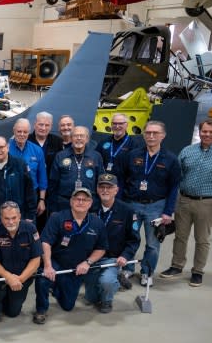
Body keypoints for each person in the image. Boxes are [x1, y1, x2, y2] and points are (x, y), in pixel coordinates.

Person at [161, 118, 212, 287]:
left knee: (202, 239)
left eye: (211, 132)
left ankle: (197, 271)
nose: (207, 134)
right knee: (180, 236)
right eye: (204, 131)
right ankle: (176, 266)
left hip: (207, 203)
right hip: (184, 201)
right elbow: (175, 177)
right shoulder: (187, 151)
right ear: (200, 131)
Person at [117, 120, 181, 286]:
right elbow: (122, 180)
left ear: (163, 136)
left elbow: (174, 187)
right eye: (148, 133)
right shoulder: (132, 155)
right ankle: (128, 269)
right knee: (130, 238)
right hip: (132, 204)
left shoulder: (171, 160)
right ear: (144, 135)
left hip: (156, 206)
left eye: (155, 133)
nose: (151, 136)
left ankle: (147, 272)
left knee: (153, 243)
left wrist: (168, 211)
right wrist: (122, 204)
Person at [35, 188, 108, 321]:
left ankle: (57, 288)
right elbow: (45, 242)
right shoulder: (57, 218)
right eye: (77, 199)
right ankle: (41, 309)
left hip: (76, 268)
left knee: (68, 306)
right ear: (71, 201)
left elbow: (101, 248)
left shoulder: (97, 223)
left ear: (90, 203)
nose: (80, 202)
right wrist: (47, 265)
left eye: (84, 199)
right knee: (42, 278)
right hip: (56, 262)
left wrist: (88, 262)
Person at [0, 201, 41, 328]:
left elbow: (36, 260)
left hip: (22, 276)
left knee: (12, 312)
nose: (10, 222)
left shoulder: (31, 229)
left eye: (14, 218)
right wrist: (9, 277)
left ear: (19, 216)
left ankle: (4, 298)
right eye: (6, 218)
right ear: (1, 218)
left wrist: (19, 279)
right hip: (1, 274)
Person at [87, 174, 141, 312]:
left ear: (116, 190)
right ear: (97, 189)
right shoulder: (89, 208)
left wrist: (125, 256)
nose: (105, 190)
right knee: (91, 298)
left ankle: (107, 300)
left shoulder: (127, 211)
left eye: (109, 187)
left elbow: (134, 240)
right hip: (91, 258)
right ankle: (115, 279)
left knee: (106, 282)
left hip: (113, 258)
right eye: (102, 187)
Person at [0, 137, 37, 228]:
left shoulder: (20, 165)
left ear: (8, 147)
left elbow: (29, 191)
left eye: (1, 147)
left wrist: (30, 215)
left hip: (16, 218)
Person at [47, 126, 104, 213]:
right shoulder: (60, 156)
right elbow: (53, 183)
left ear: (87, 139)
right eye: (75, 136)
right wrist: (53, 208)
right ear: (71, 138)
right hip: (64, 203)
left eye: (82, 136)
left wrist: (97, 204)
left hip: (88, 203)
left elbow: (100, 182)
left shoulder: (96, 156)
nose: (79, 138)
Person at [8, 118, 47, 218]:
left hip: (31, 196)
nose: (22, 134)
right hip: (10, 194)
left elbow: (42, 177)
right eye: (19, 131)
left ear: (29, 132)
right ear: (13, 130)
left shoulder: (37, 150)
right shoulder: (5, 148)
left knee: (29, 226)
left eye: (25, 132)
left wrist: (42, 200)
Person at [94, 113, 144, 177]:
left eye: (120, 123)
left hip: (122, 185)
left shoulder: (134, 145)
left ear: (126, 125)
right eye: (114, 123)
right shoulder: (103, 142)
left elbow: (137, 169)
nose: (117, 126)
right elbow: (95, 160)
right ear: (111, 125)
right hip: (104, 183)